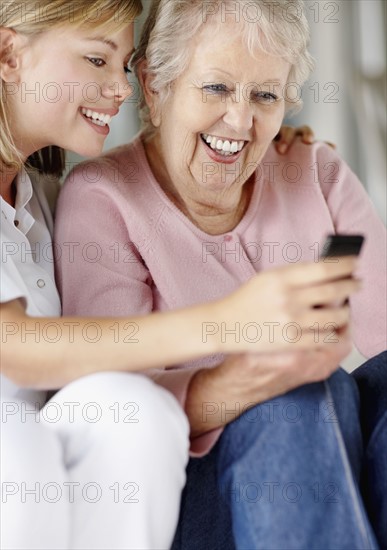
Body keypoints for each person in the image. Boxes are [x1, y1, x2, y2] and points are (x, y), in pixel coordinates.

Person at [55, 0, 387, 548]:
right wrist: (249, 383)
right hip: (199, 496)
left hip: (335, 464)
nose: (240, 121)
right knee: (293, 399)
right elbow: (115, 406)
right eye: (215, 89)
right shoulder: (103, 198)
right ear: (155, 87)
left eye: (265, 95)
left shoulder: (316, 172)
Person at [0, 1, 323, 548]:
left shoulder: (43, 201)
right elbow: (13, 345)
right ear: (8, 53)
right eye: (96, 60)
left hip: (60, 477)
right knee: (25, 442)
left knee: (134, 413)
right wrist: (225, 323)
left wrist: (262, 142)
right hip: (22, 466)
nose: (122, 88)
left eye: (123, 67)